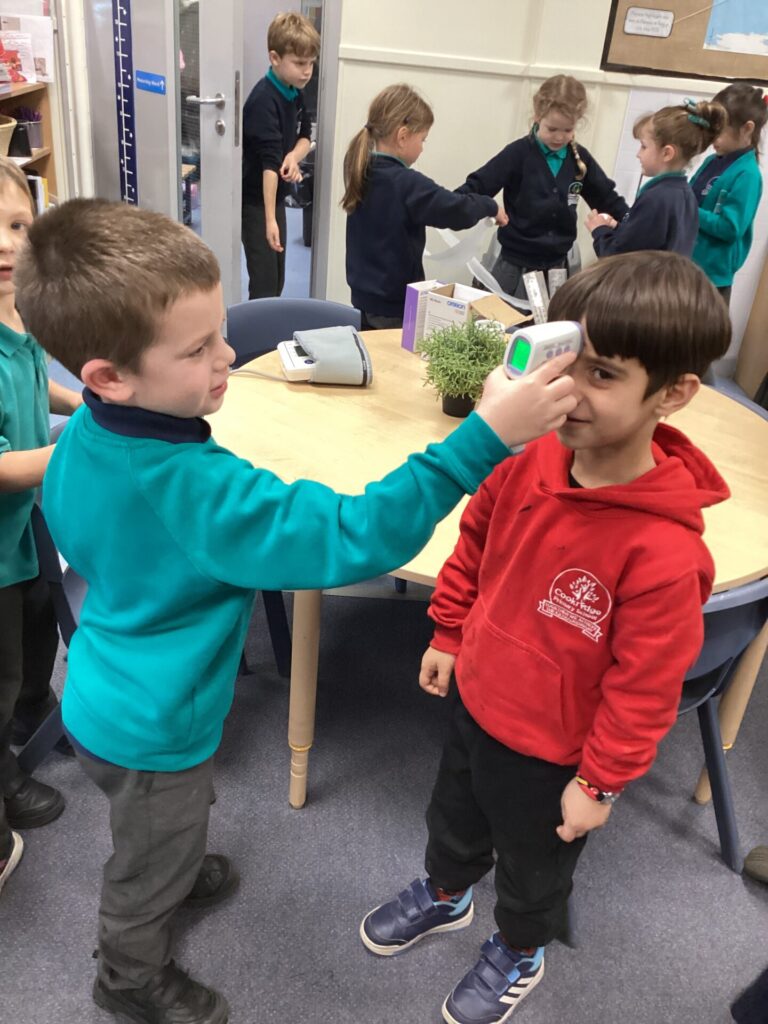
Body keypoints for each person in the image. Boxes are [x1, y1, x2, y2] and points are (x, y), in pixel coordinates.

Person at [13, 197, 577, 1024]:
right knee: (146, 859)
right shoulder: (198, 491)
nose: (227, 355)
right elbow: (356, 532)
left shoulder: (88, 436)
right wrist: (485, 435)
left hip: (105, 685)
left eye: (219, 333)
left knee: (164, 823)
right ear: (108, 377)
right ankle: (127, 975)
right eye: (197, 349)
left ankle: (176, 858)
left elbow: (129, 534)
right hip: (155, 726)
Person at [359, 251, 731, 1024]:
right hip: (477, 699)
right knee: (452, 819)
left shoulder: (666, 555)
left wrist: (599, 786)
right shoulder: (527, 457)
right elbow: (475, 540)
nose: (567, 390)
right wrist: (449, 630)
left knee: (534, 869)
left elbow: (645, 689)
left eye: (603, 374)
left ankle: (519, 948)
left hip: (556, 751)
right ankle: (447, 893)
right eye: (566, 361)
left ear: (673, 393)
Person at [0, 157, 82, 898]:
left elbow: (33, 383)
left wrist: (76, 403)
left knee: (36, 633)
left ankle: (33, 715)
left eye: (18, 225)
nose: (6, 244)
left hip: (20, 533)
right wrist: (73, 458)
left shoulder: (16, 315)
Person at [343, 83, 507, 330]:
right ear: (402, 136)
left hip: (366, 298)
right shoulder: (406, 183)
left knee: (373, 348)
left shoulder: (362, 170)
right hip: (395, 305)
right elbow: (455, 211)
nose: (422, 147)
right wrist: (490, 205)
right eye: (422, 139)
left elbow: (445, 203)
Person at [455, 74, 628, 299]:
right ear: (537, 117)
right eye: (552, 129)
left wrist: (635, 224)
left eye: (567, 130)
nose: (559, 137)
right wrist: (468, 206)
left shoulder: (580, 160)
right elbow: (476, 187)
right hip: (514, 267)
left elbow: (607, 199)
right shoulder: (517, 154)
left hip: (558, 268)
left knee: (552, 320)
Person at [241, 11, 319, 300]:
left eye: (311, 63)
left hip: (275, 198)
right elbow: (269, 166)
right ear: (275, 58)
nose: (307, 71)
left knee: (277, 280)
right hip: (255, 201)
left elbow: (305, 137)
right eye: (299, 63)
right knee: (264, 284)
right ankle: (255, 331)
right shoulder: (263, 101)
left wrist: (294, 157)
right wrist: (270, 220)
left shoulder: (294, 90)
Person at [587, 98, 726, 258]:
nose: (638, 154)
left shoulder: (656, 199)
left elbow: (620, 257)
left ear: (667, 153)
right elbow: (647, 241)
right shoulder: (686, 196)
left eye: (644, 146)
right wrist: (618, 227)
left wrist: (599, 231)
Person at [690, 83, 766, 306]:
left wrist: (689, 209)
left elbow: (730, 228)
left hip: (712, 280)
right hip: (689, 267)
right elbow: (690, 196)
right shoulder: (711, 161)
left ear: (747, 129)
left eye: (719, 131)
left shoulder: (748, 175)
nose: (712, 138)